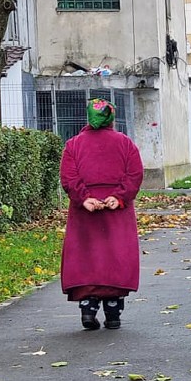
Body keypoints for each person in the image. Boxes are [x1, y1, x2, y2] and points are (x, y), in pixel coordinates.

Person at [60, 98, 143, 330]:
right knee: (116, 256)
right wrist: (119, 197)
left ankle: (88, 307)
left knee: (86, 257)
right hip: (117, 211)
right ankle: (113, 312)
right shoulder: (125, 144)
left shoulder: (73, 145)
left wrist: (83, 198)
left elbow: (69, 176)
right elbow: (134, 173)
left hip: (85, 211)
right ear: (111, 118)